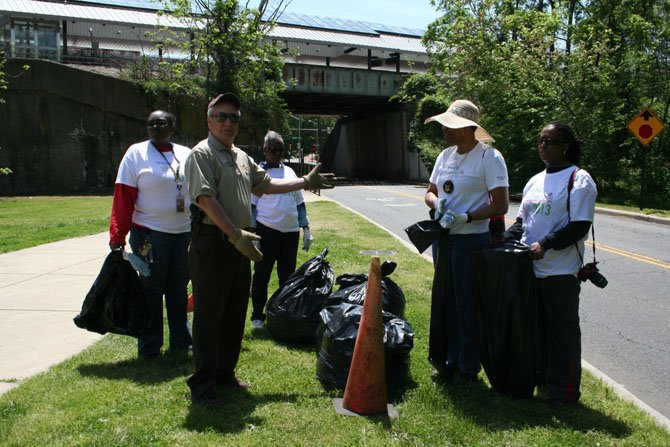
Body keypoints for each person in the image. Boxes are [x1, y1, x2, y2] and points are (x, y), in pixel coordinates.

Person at [184, 93, 334, 405]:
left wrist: (304, 182)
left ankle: (224, 373)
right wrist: (233, 233)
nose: (228, 122)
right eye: (222, 116)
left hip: (240, 241)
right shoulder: (202, 154)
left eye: (234, 117)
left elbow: (266, 185)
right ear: (209, 120)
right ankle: (203, 383)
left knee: (235, 310)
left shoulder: (240, 156)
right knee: (210, 314)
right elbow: (205, 200)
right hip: (214, 241)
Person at [506, 121, 597, 405]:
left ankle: (565, 392)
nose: (543, 146)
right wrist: (502, 240)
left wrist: (545, 244)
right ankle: (541, 378)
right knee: (536, 329)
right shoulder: (535, 180)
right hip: (529, 268)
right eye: (540, 141)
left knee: (562, 333)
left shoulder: (579, 179)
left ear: (565, 146)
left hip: (560, 270)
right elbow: (522, 222)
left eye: (550, 141)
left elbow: (579, 226)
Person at [423, 99, 509, 382]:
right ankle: (447, 359)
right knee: (445, 300)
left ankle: (468, 366)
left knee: (467, 304)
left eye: (449, 125)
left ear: (465, 129)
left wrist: (467, 217)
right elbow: (431, 191)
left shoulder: (489, 158)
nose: (444, 130)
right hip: (444, 239)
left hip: (471, 241)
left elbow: (500, 204)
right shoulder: (445, 155)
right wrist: (437, 206)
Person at [109, 110, 193, 359]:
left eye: (162, 123)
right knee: (151, 290)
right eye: (151, 124)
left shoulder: (186, 154)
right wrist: (117, 237)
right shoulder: (136, 154)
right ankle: (149, 345)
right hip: (149, 235)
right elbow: (123, 196)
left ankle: (181, 341)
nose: (156, 127)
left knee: (178, 288)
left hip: (182, 234)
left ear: (172, 126)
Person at [249, 130, 313, 331]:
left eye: (280, 150)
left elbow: (299, 203)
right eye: (272, 149)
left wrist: (306, 228)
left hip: (290, 233)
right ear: (265, 150)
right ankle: (257, 315)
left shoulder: (290, 173)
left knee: (288, 276)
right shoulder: (259, 174)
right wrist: (253, 234)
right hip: (267, 231)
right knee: (262, 274)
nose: (276, 153)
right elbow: (251, 207)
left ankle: (283, 312)